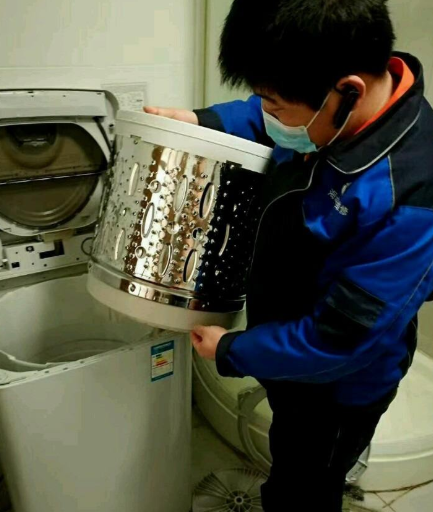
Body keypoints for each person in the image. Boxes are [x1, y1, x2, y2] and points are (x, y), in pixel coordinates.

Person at [145, 0, 433, 510]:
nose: (268, 116)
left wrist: (232, 351)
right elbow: (260, 116)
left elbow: (341, 339)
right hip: (291, 349)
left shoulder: (408, 195)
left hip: (338, 389)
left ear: (348, 90)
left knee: (304, 486)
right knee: (291, 452)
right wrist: (198, 120)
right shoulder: (330, 108)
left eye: (276, 107)